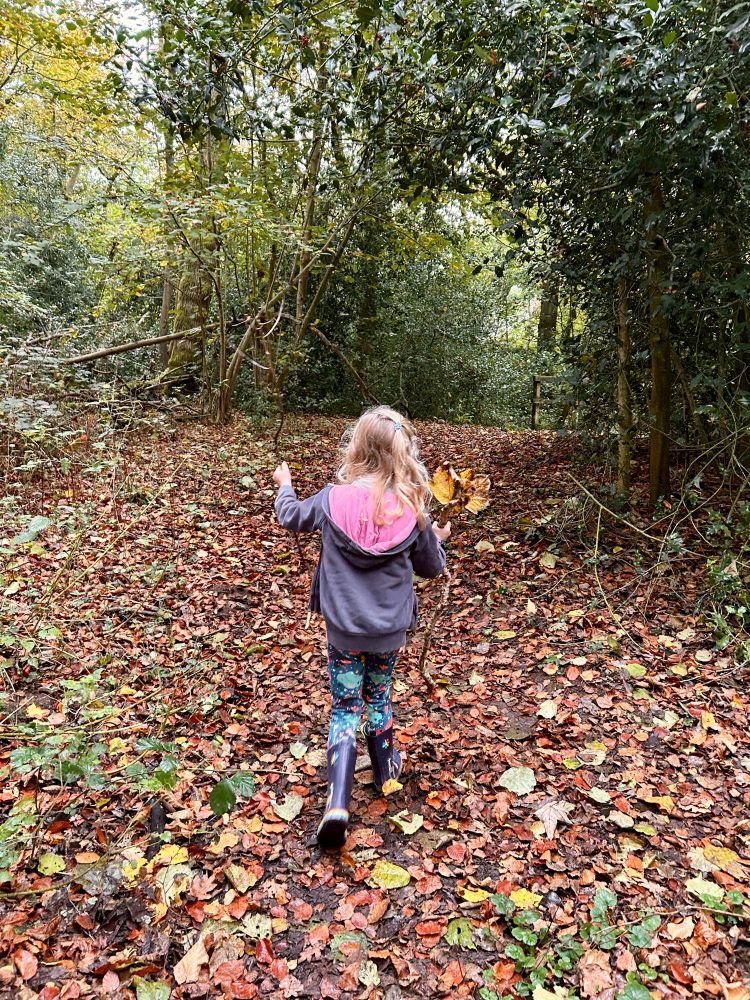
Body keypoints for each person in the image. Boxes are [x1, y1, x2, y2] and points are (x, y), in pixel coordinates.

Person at [272, 406, 450, 850]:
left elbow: (290, 515)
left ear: (357, 448)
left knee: (345, 704)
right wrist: (434, 540)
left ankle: (337, 802)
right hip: (389, 631)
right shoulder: (412, 509)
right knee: (379, 695)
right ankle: (387, 775)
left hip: (344, 630)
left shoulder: (333, 498)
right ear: (400, 452)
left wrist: (285, 487)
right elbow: (431, 567)